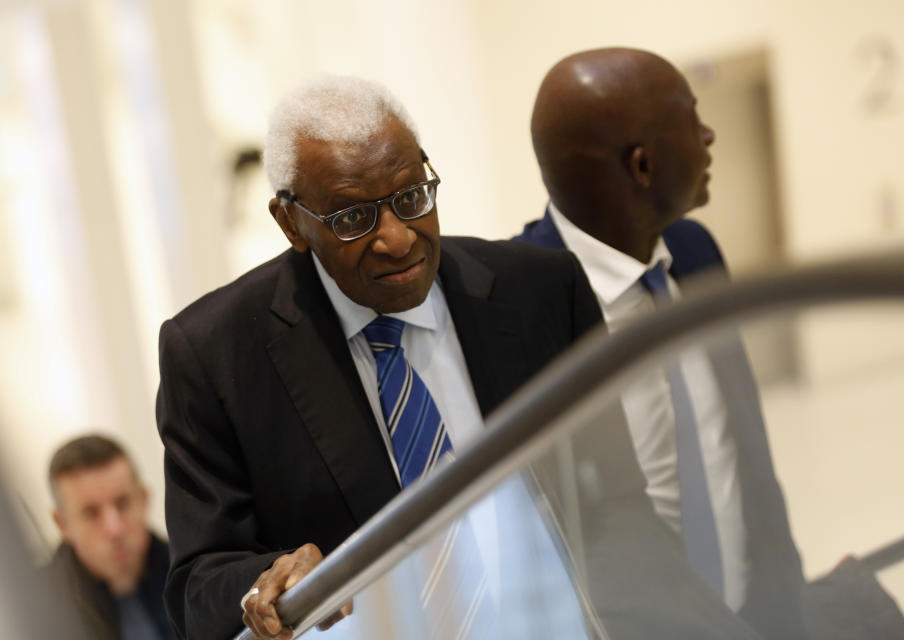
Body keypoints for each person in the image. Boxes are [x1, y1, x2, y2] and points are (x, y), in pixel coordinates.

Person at [157, 75, 763, 640]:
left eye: (412, 196)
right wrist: (272, 582)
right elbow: (197, 584)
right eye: (352, 217)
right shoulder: (216, 356)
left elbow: (616, 508)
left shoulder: (540, 292)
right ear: (291, 221)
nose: (396, 237)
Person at [515, 47, 807, 639]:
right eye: (691, 120)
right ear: (643, 166)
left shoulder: (696, 251)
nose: (709, 134)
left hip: (758, 610)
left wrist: (788, 597)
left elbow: (741, 448)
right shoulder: (518, 302)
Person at [47, 434, 174, 640]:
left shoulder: (192, 577)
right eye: (91, 514)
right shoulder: (38, 609)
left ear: (143, 500)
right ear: (62, 525)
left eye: (123, 504)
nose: (114, 529)